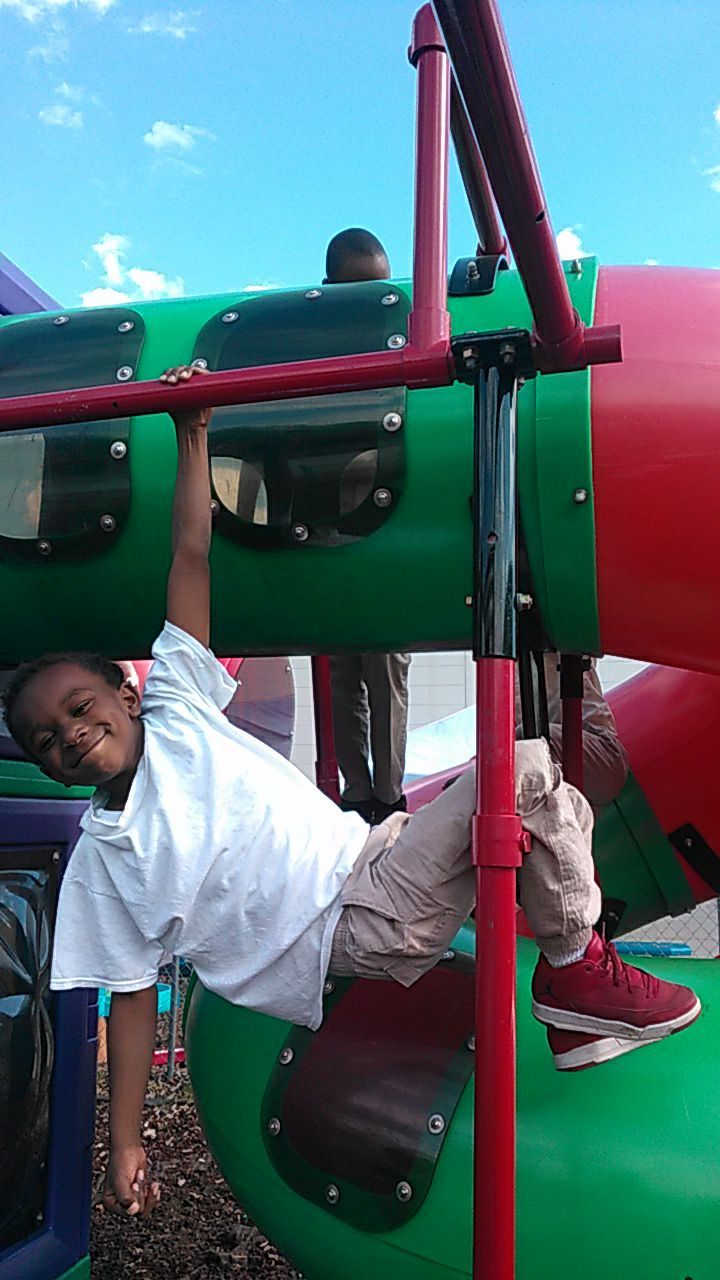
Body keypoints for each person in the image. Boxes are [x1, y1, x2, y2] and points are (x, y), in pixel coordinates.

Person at [2, 366, 700, 1219]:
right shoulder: (106, 861)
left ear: (126, 689)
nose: (70, 734)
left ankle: (575, 970)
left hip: (374, 855)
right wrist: (127, 1138)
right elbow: (133, 992)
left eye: (79, 708)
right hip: (350, 921)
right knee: (520, 771)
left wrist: (193, 432)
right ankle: (576, 982)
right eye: (47, 739)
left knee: (560, 801)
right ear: (47, 767)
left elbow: (192, 556)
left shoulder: (181, 704)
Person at [324, 228, 411, 824]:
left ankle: (388, 794)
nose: (370, 299)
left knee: (386, 670)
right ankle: (358, 793)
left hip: (383, 528)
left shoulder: (394, 337)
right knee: (341, 669)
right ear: (331, 288)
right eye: (358, 288)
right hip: (327, 528)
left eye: (378, 287)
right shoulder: (320, 344)